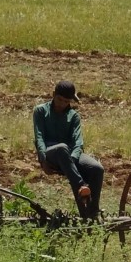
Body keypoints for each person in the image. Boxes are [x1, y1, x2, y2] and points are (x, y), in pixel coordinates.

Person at [33, 80, 104, 219]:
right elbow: (39, 137)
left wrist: (71, 160)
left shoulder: (74, 116)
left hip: (70, 155)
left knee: (97, 168)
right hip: (51, 153)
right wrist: (43, 160)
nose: (61, 104)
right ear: (53, 95)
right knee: (62, 147)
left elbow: (78, 142)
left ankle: (91, 213)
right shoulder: (40, 111)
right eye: (59, 99)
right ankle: (81, 186)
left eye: (66, 101)